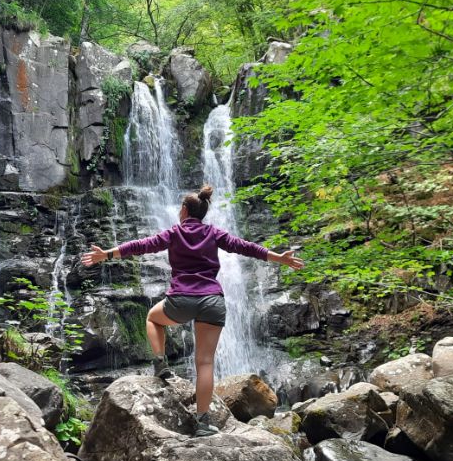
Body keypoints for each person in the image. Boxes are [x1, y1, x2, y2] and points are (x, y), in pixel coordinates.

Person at [81, 185, 303, 437]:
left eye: (180, 208)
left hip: (181, 299)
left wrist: (107, 255)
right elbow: (245, 247)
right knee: (205, 363)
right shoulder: (214, 233)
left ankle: (160, 363)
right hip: (212, 300)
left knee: (154, 319)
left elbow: (142, 245)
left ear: (185, 210)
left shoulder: (174, 232)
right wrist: (280, 258)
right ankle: (203, 422)